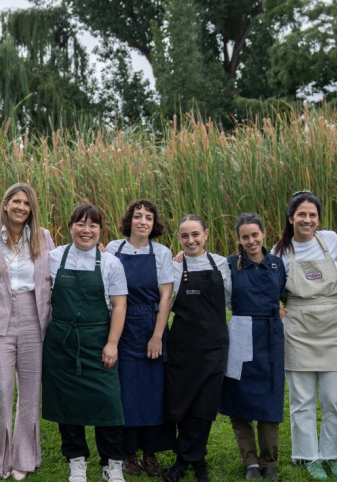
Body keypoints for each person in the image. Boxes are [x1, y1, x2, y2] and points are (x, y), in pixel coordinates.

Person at [43, 203, 129, 482]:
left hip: (98, 342)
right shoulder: (53, 258)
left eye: (93, 225)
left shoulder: (111, 263)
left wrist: (112, 344)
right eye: (80, 223)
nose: (86, 230)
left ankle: (112, 463)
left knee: (109, 404)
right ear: (70, 228)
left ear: (100, 231)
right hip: (62, 344)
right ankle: (76, 461)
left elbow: (119, 306)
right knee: (68, 406)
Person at [0, 183, 54, 481]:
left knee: (31, 392)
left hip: (35, 316)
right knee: (1, 390)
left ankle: (24, 457)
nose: (21, 207)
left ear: (32, 208)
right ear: (5, 204)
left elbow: (58, 269)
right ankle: (1, 457)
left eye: (27, 203)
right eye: (15, 201)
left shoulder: (44, 237)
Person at [270, 190, 337, 480]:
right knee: (301, 400)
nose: (307, 219)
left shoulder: (331, 240)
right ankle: (309, 456)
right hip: (298, 327)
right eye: (301, 214)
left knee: (334, 398)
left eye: (312, 215)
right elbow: (270, 288)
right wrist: (278, 309)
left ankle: (333, 453)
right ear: (291, 218)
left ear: (319, 218)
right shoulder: (278, 252)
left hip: (333, 327)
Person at [105, 200, 177, 478]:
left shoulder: (161, 253)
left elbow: (166, 296)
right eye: (138, 216)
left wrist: (157, 336)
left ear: (154, 223)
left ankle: (150, 453)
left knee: (153, 393)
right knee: (125, 393)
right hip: (121, 327)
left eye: (148, 217)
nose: (143, 221)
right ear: (129, 220)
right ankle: (128, 453)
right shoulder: (114, 248)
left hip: (150, 326)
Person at [219, 213, 288, 481]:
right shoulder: (229, 264)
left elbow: (284, 295)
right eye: (245, 236)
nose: (250, 241)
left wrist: (280, 311)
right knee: (240, 398)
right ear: (239, 238)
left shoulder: (276, 265)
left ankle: (269, 462)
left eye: (254, 235)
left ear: (263, 234)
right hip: (240, 334)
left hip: (271, 336)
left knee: (270, 398)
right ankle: (250, 462)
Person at [164, 215, 231, 482]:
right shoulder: (172, 267)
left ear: (206, 234)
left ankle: (189, 459)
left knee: (204, 406)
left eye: (195, 234)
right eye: (184, 236)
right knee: (182, 403)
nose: (190, 240)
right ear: (178, 239)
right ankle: (193, 458)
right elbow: (165, 306)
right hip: (182, 345)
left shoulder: (222, 264)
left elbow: (230, 300)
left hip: (214, 345)